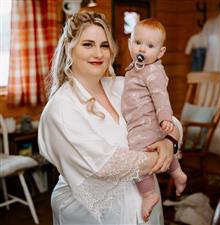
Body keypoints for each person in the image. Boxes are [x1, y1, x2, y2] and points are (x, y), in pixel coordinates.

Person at [38, 11, 183, 225]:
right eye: (87, 44)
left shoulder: (124, 86)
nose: (98, 53)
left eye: (104, 45)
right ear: (70, 48)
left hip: (144, 208)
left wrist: (169, 142)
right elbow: (105, 164)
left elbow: (173, 122)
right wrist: (164, 157)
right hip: (94, 215)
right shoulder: (61, 108)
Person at [121, 18, 187, 222]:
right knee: (159, 150)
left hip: (147, 123)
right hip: (142, 122)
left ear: (160, 53)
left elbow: (160, 95)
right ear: (130, 43)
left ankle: (149, 193)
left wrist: (165, 118)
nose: (142, 49)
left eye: (150, 46)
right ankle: (177, 173)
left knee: (137, 153)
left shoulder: (153, 71)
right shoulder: (135, 68)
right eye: (138, 42)